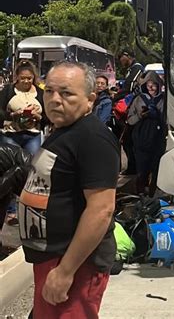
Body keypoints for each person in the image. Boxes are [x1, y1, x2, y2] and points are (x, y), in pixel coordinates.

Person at [18, 61, 120, 318]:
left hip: (75, 263)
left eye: (66, 93)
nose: (54, 99)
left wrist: (65, 271)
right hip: (51, 258)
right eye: (49, 90)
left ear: (90, 100)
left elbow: (101, 210)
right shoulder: (63, 131)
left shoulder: (92, 138)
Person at [127, 71, 166, 195]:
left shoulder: (164, 99)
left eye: (154, 84)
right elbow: (130, 119)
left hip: (158, 139)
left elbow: (168, 119)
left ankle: (153, 192)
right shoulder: (138, 99)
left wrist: (157, 115)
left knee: (156, 168)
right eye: (148, 84)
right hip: (141, 139)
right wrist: (141, 115)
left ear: (159, 85)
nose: (151, 86)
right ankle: (140, 192)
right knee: (142, 169)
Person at [0, 60, 47, 155]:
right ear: (17, 77)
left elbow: (48, 116)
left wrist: (38, 117)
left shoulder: (41, 93)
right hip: (10, 134)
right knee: (12, 162)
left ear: (33, 77)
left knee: (32, 163)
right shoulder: (7, 91)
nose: (26, 81)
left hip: (33, 135)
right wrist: (13, 114)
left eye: (29, 78)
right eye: (23, 78)